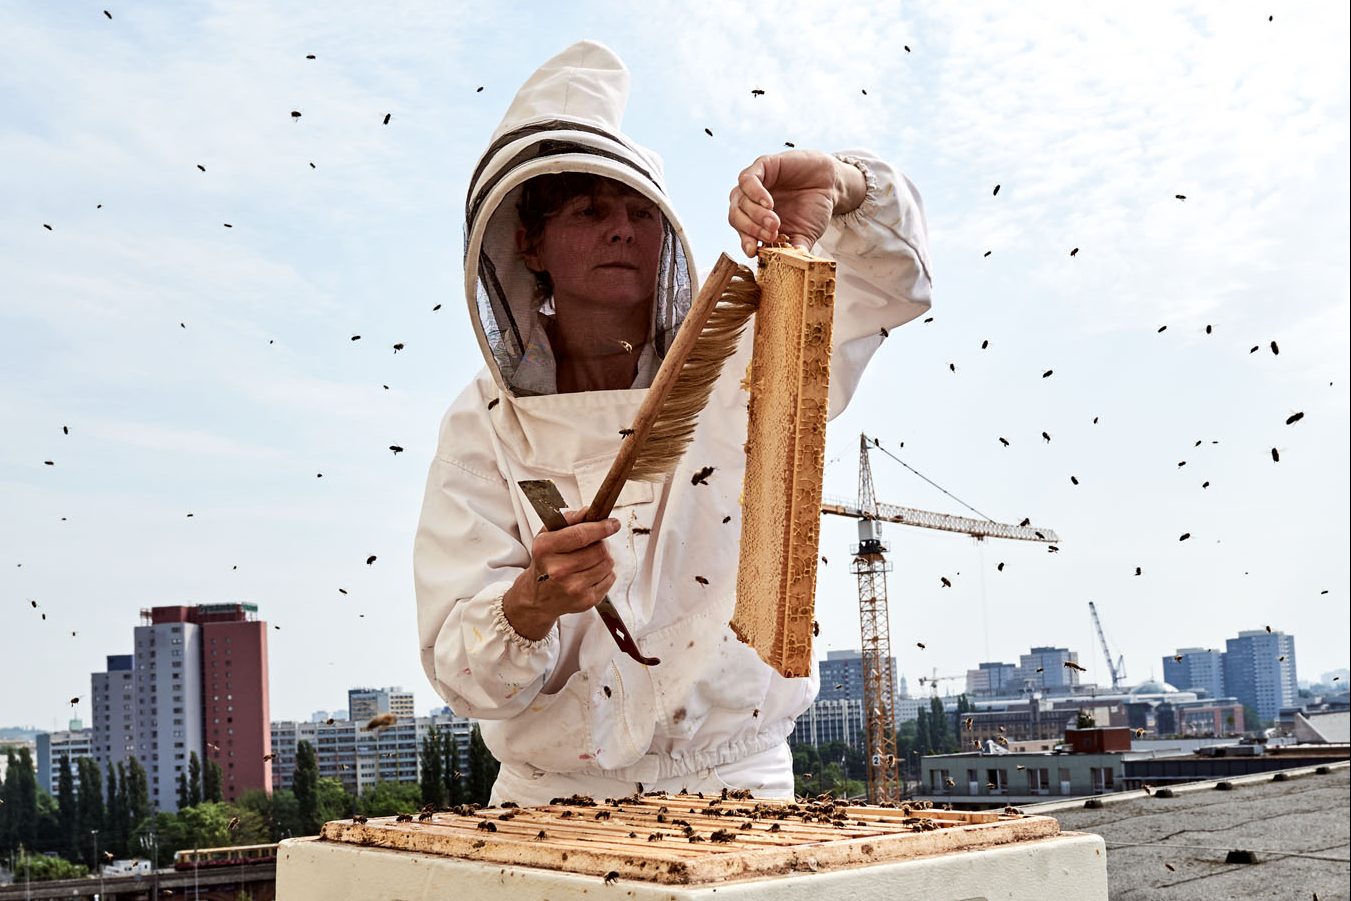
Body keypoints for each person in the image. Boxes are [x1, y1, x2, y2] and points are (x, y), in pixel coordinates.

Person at [415, 40, 932, 805]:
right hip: (550, 799)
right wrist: (531, 602)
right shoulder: (480, 427)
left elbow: (890, 284)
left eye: (636, 211)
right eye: (589, 210)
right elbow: (462, 666)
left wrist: (843, 184)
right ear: (527, 242)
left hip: (736, 783)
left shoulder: (747, 356)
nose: (621, 229)